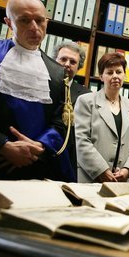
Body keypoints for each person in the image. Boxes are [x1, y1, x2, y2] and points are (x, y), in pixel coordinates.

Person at [0, 0, 73, 181]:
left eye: (39, 20)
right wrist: (1, 146)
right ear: (9, 23)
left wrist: (40, 146)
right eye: (24, 21)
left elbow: (60, 122)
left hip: (37, 167)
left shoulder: (57, 72)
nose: (34, 28)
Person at [74, 52, 129, 183]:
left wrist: (127, 170)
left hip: (121, 181)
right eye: (109, 72)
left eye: (119, 72)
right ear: (101, 77)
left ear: (124, 75)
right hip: (92, 177)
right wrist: (102, 170)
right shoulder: (86, 101)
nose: (115, 76)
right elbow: (81, 140)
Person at [54, 41, 91, 176]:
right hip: (42, 155)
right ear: (54, 60)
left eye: (73, 61)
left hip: (71, 161)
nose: (67, 64)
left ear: (78, 67)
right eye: (63, 59)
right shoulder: (42, 86)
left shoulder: (87, 95)